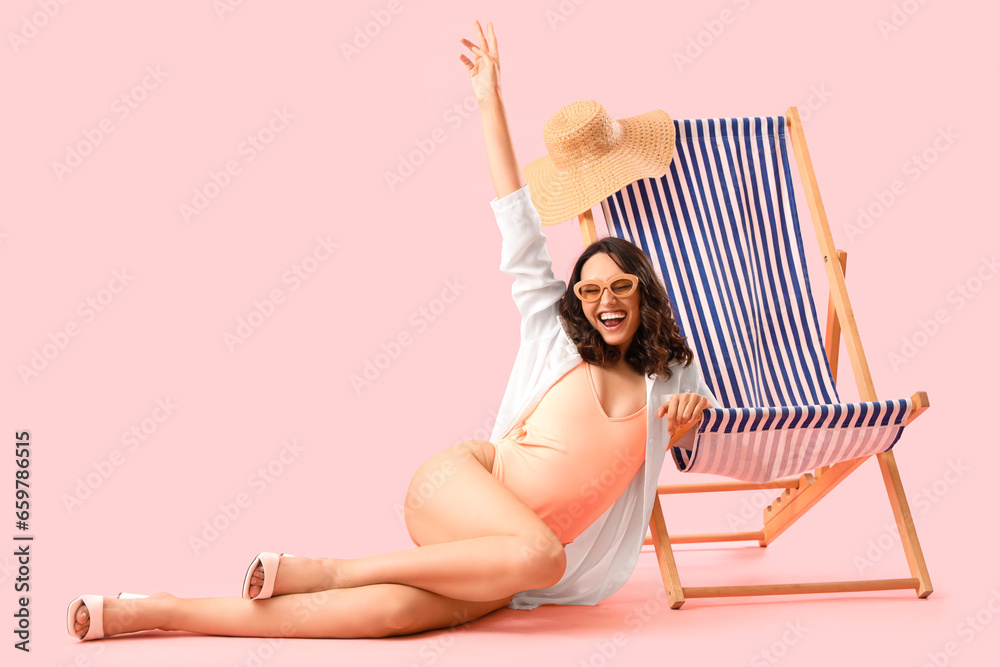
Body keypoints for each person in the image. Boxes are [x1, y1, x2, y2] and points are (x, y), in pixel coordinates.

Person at [66, 19, 719, 641]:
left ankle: (157, 610)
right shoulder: (555, 331)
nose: (604, 299)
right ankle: (330, 567)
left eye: (620, 287)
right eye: (589, 288)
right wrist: (489, 99)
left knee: (374, 618)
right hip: (463, 489)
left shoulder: (674, 374)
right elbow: (517, 222)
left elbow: (698, 432)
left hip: (501, 567)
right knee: (543, 554)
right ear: (576, 297)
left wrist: (691, 423)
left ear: (644, 293)